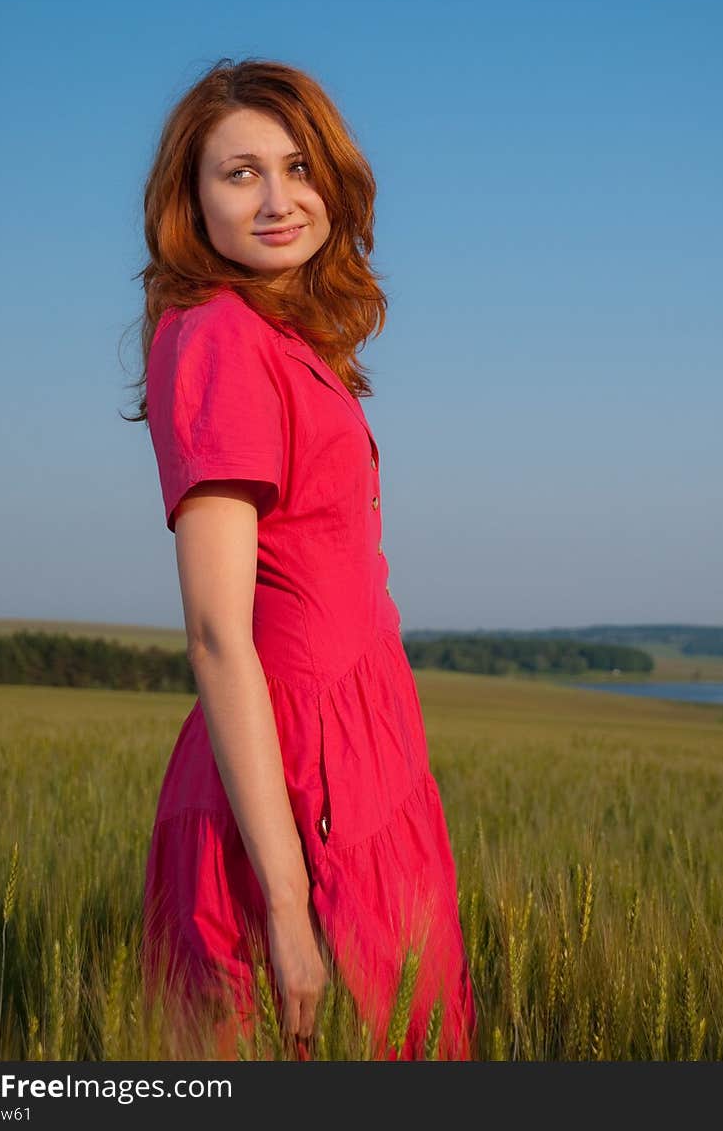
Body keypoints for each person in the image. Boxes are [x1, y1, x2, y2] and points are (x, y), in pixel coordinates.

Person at [132, 56, 476, 1060]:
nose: (279, 199)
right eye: (238, 174)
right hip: (290, 779)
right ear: (192, 202)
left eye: (296, 166)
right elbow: (214, 632)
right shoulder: (218, 338)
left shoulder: (286, 338)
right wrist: (284, 901)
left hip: (361, 751)